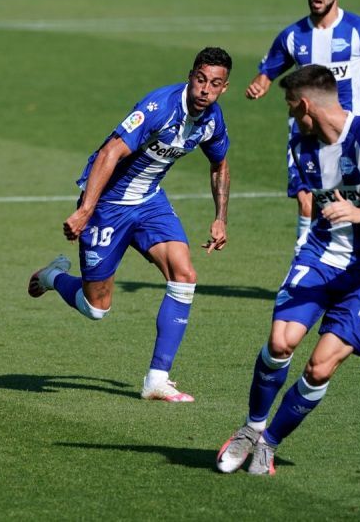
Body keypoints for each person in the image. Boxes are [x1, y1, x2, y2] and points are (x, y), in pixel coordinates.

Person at [216, 64, 360, 476]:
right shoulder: (302, 146)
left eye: (292, 108)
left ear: (307, 104)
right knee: (280, 342)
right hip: (322, 256)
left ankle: (269, 444)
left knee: (320, 366)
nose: (291, 116)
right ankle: (251, 428)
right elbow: (313, 201)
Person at [28, 47, 232, 402]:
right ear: (190, 76)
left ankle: (157, 378)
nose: (205, 90)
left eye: (214, 84)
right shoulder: (159, 107)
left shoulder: (213, 119)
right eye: (200, 80)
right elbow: (109, 153)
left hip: (150, 203)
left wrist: (220, 218)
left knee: (184, 276)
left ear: (223, 88)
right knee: (96, 309)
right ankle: (53, 276)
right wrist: (85, 210)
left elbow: (220, 164)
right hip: (107, 206)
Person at [245, 0, 360, 253]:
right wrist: (261, 84)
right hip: (303, 134)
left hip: (349, 135)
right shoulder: (293, 35)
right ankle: (303, 255)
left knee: (356, 198)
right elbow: (267, 71)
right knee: (306, 199)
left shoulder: (359, 30)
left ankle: (358, 257)